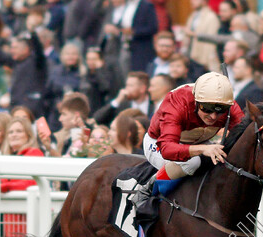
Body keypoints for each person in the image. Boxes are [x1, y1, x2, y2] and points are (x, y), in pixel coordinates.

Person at [130, 72, 244, 211]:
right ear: (196, 102)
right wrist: (203, 149)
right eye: (207, 109)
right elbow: (167, 149)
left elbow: (243, 136)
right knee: (192, 162)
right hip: (158, 142)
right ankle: (147, 189)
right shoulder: (177, 102)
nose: (213, 116)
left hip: (199, 142)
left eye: (220, 111)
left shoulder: (229, 104)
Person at [0, 33, 47, 117]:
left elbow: (39, 51)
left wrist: (33, 33)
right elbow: (0, 56)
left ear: (26, 49)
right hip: (15, 107)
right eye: (11, 48)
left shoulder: (36, 62)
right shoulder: (16, 62)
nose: (12, 51)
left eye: (15, 48)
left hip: (32, 109)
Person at [81, 47, 122, 116]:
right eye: (89, 59)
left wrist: (99, 70)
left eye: (94, 59)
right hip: (89, 110)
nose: (91, 62)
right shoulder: (85, 75)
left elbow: (105, 88)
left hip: (103, 110)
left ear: (101, 60)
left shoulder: (107, 74)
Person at [183, 0, 221, 72]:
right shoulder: (193, 15)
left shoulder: (211, 17)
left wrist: (206, 61)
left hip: (202, 60)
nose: (192, 1)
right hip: (191, 58)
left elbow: (211, 42)